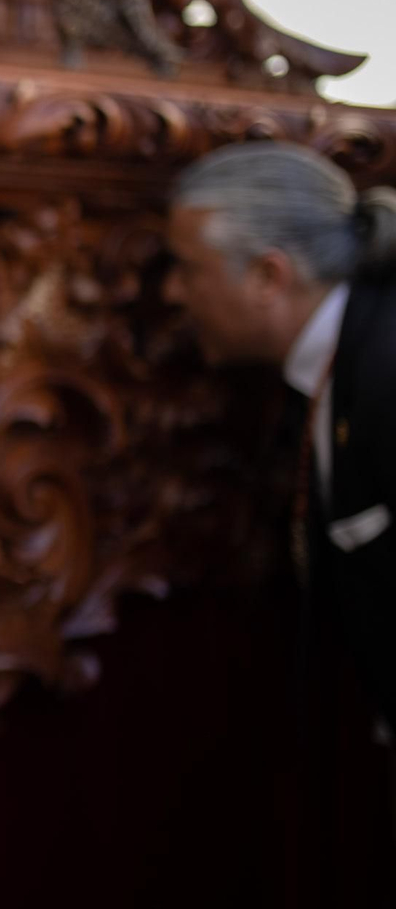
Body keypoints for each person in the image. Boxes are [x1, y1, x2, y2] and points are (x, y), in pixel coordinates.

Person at [164, 141, 396, 731]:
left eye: (189, 267)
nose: (172, 292)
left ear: (269, 276)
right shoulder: (331, 364)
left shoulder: (386, 371)